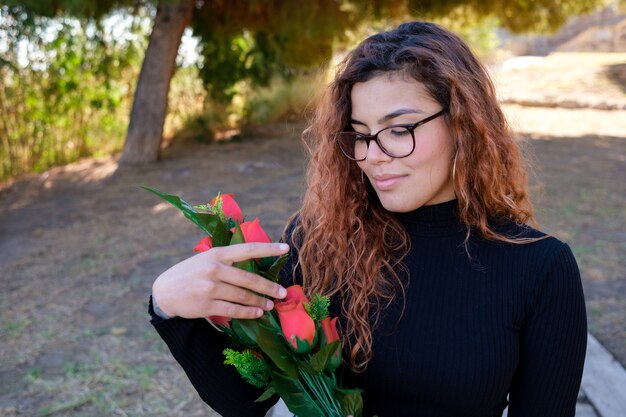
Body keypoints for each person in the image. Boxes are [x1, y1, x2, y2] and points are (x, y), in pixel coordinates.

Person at [148, 21, 587, 417]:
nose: (371, 156)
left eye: (399, 129)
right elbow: (251, 401)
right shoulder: (319, 240)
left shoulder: (541, 269)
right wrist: (169, 306)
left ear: (463, 123)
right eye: (359, 134)